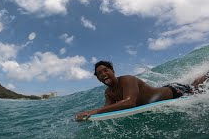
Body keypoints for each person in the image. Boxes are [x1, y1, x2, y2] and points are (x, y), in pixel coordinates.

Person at [75, 60, 208, 121]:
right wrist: (88, 116)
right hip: (166, 90)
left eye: (105, 70)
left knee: (197, 88)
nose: (103, 74)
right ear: (98, 78)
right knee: (194, 85)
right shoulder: (108, 93)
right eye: (99, 73)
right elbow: (107, 109)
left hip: (174, 91)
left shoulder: (127, 80)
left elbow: (130, 102)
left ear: (113, 71)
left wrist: (94, 111)